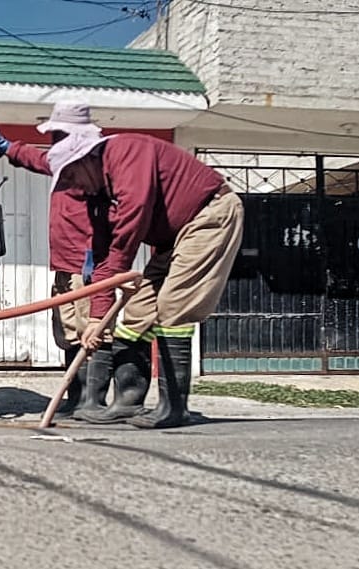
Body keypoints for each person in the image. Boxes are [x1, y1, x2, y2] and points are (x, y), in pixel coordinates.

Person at [46, 131, 244, 428]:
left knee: (172, 306)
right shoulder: (99, 194)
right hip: (173, 237)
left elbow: (129, 229)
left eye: (73, 175)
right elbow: (105, 260)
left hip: (208, 216)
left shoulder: (126, 155)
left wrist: (103, 308)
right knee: (138, 309)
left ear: (88, 160)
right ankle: (128, 402)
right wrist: (98, 318)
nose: (76, 185)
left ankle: (174, 407)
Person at [0, 102, 113, 419]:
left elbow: (110, 218)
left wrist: (95, 258)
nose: (53, 140)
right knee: (68, 332)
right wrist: (3, 144)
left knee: (91, 333)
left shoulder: (94, 170)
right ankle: (76, 398)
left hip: (86, 268)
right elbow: (35, 159)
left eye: (58, 133)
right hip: (65, 267)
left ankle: (94, 402)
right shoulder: (63, 163)